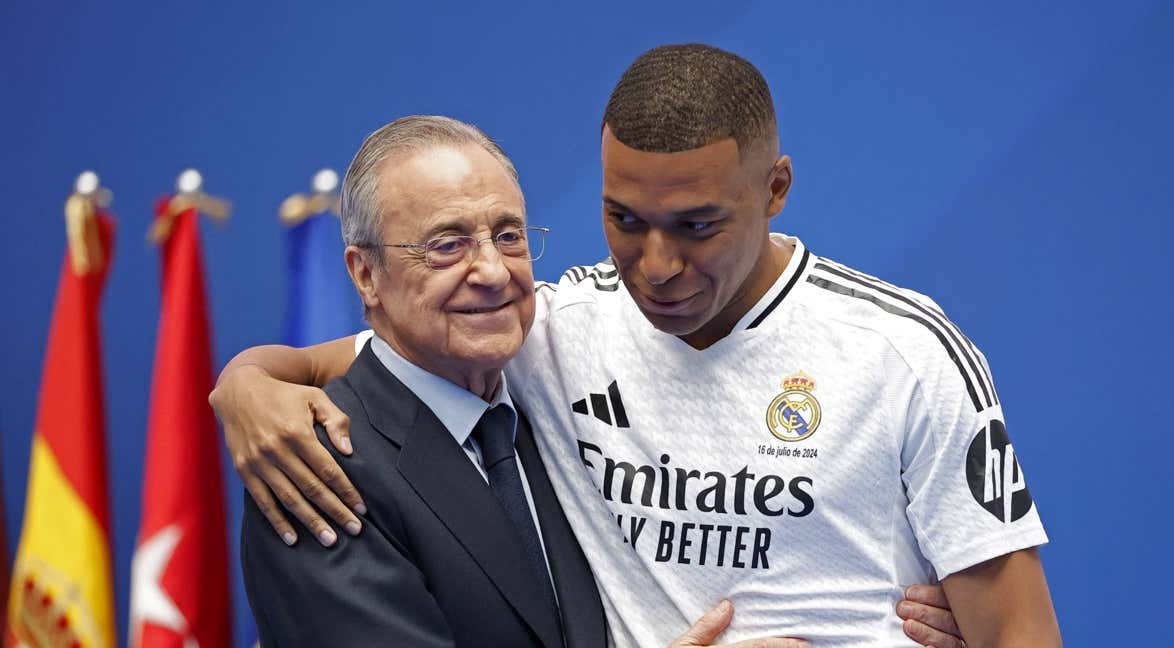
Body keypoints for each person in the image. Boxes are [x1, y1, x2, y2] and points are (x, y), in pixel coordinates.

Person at [215, 45, 1059, 646]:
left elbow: (1017, 632)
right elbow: (378, 356)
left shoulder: (904, 352)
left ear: (775, 190)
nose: (656, 269)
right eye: (624, 221)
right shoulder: (553, 324)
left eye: (696, 227)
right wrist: (248, 380)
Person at [239, 117, 609, 647]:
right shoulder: (319, 467)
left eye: (508, 236)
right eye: (447, 245)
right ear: (366, 275)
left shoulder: (558, 408)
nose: (494, 272)